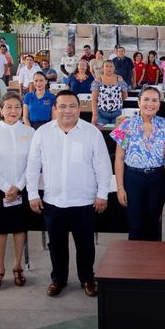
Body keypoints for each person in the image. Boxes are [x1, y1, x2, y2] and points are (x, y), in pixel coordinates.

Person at [26, 90, 112, 298]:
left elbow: (103, 166)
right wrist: (31, 193)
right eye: (62, 106)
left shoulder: (92, 133)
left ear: (79, 108)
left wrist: (103, 194)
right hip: (54, 201)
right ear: (54, 109)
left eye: (72, 106)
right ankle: (59, 279)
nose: (67, 111)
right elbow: (32, 165)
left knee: (85, 245)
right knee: (56, 245)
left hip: (85, 201)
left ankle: (87, 279)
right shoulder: (43, 133)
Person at [0, 92, 35, 290]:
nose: (13, 111)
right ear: (1, 110)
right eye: (9, 107)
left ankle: (17, 267)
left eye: (17, 107)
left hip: (22, 188)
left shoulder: (30, 133)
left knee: (19, 229)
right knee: (0, 230)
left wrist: (18, 187)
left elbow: (33, 164)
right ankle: (0, 268)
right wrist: (6, 187)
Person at [112, 86, 165, 241]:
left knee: (153, 224)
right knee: (135, 225)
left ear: (159, 104)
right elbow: (119, 158)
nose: (150, 104)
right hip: (133, 179)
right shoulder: (126, 125)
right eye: (146, 99)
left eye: (154, 100)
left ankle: (151, 263)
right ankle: (135, 263)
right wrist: (120, 187)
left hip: (157, 179)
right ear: (139, 102)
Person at [91, 60, 129, 125]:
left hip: (117, 113)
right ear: (103, 68)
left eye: (111, 66)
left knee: (117, 134)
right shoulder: (98, 80)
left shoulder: (119, 79)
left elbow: (125, 97)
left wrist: (122, 83)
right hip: (102, 114)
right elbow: (94, 99)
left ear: (114, 68)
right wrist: (94, 115)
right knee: (102, 134)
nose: (109, 68)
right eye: (107, 66)